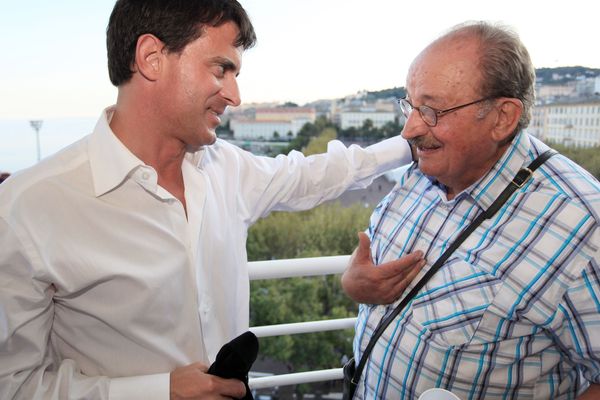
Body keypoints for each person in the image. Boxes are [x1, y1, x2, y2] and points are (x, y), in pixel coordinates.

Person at [0, 1, 423, 399]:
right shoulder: (28, 208)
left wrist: (406, 147)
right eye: (222, 69)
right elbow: (13, 384)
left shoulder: (226, 169)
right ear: (151, 58)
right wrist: (158, 391)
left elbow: (310, 175)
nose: (235, 96)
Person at [341, 21, 600, 399]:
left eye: (431, 110)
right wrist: (353, 283)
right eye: (411, 105)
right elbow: (377, 253)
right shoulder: (426, 167)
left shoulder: (582, 224)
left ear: (502, 118)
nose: (410, 129)